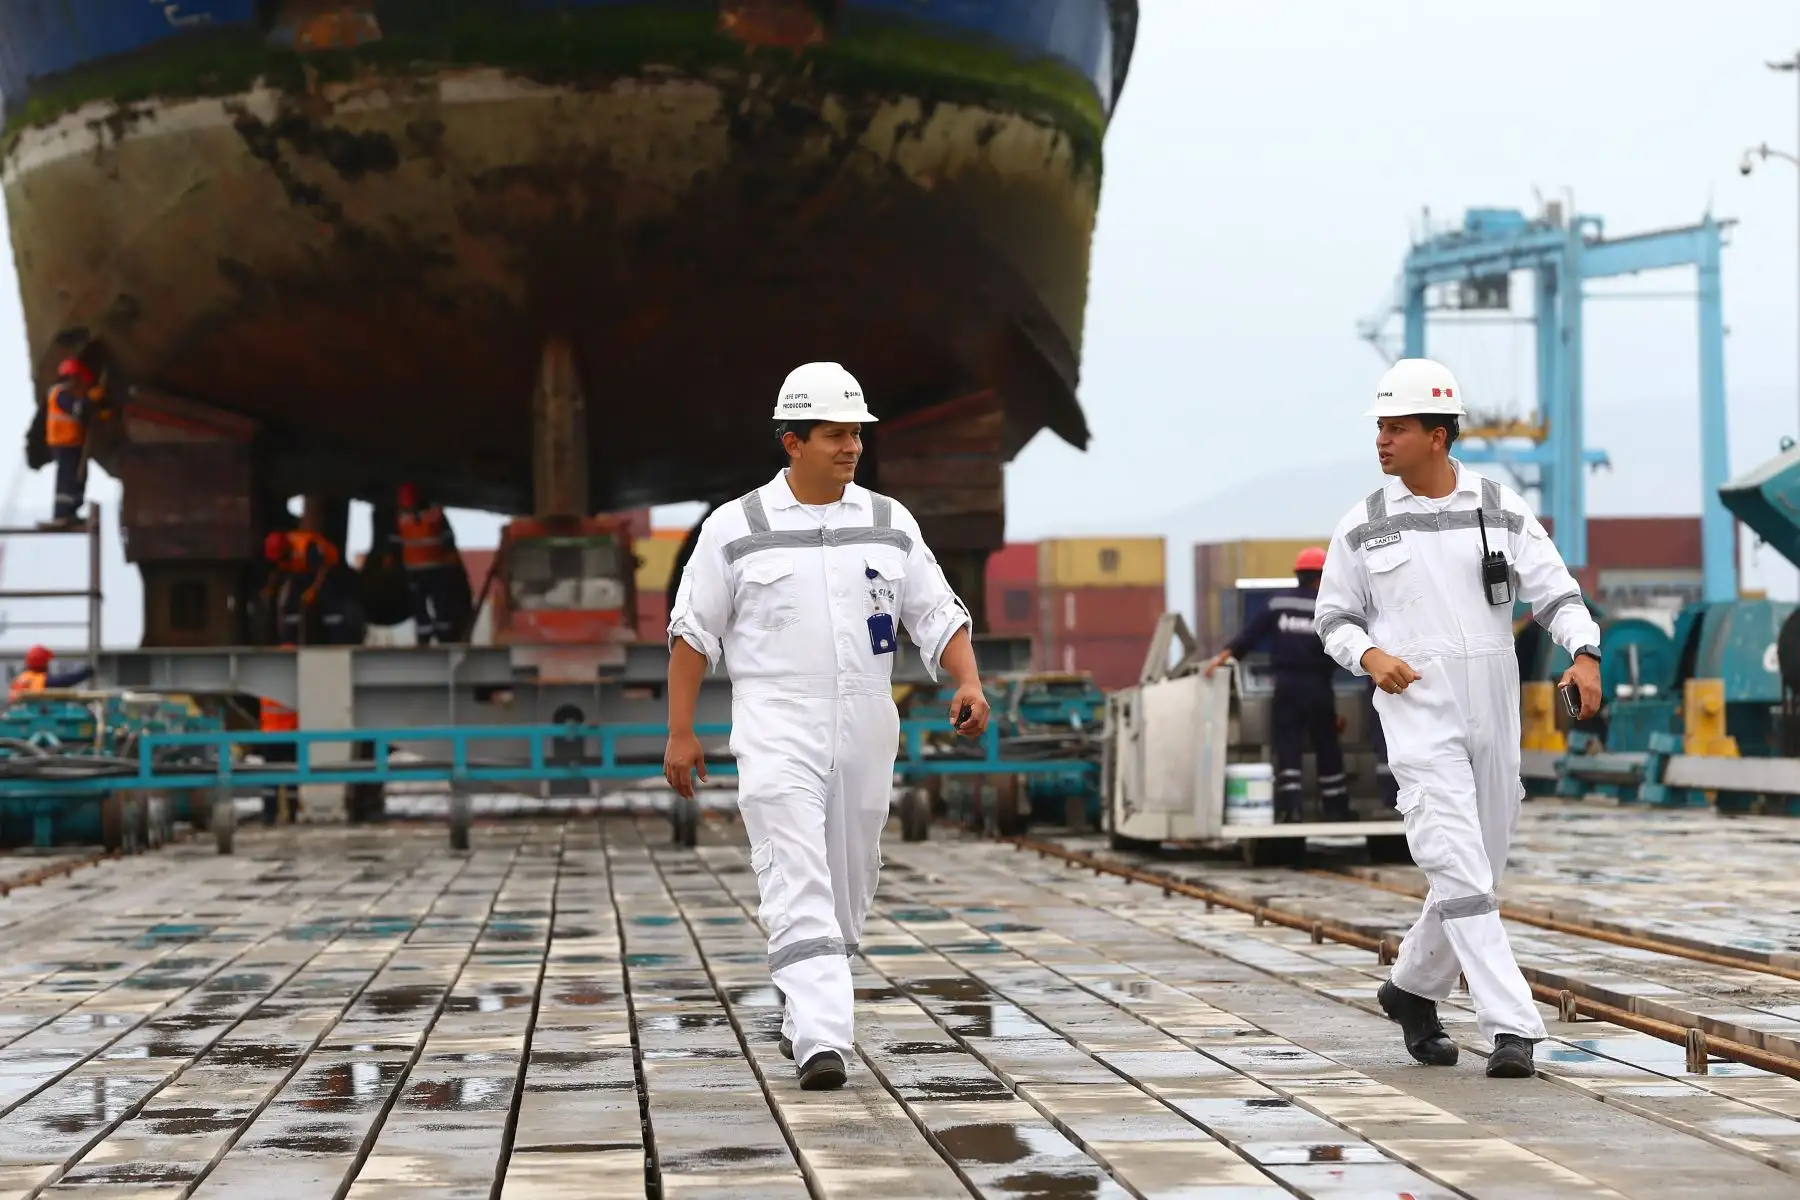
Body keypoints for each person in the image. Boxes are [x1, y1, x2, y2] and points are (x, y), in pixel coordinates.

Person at [663, 360, 991, 1092]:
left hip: (868, 720)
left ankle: (804, 1006)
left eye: (857, 434)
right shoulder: (736, 528)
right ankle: (822, 1039)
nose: (852, 447)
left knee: (849, 881)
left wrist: (967, 678)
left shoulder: (888, 522)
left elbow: (935, 612)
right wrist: (681, 730)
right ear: (793, 441)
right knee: (796, 872)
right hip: (777, 721)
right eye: (836, 434)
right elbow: (692, 633)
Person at [1314, 357, 1601, 1081]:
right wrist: (1370, 655)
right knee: (1456, 863)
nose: (1381, 440)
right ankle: (1513, 1027)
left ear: (1438, 436)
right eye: (1380, 427)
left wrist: (1585, 652)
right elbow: (1333, 618)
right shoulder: (1363, 525)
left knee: (1480, 866)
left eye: (1396, 428)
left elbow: (1555, 592)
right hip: (1417, 709)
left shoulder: (1500, 508)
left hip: (1494, 706)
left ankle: (1411, 990)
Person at [1203, 546, 1351, 822]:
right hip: (1318, 687)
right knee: (1327, 745)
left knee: (1288, 744)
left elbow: (1247, 638)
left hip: (1286, 686)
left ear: (1298, 574)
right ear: (1322, 576)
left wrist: (1219, 659)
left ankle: (1291, 809)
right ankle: (1336, 809)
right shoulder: (1328, 607)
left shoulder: (1277, 603)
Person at [394, 482, 469, 644]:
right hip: (422, 570)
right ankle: (431, 636)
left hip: (433, 569)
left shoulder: (429, 515)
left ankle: (442, 636)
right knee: (422, 607)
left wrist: (452, 561)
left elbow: (448, 538)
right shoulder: (405, 517)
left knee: (438, 605)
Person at [42, 359, 105, 528]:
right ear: (72, 378)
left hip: (74, 443)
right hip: (63, 443)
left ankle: (73, 511)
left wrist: (99, 413)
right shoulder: (60, 393)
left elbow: (83, 415)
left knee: (79, 476)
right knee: (67, 477)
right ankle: (61, 513)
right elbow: (77, 409)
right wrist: (90, 400)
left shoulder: (72, 395)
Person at [262, 529, 350, 645]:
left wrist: (313, 590)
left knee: (329, 603)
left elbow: (322, 570)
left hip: (329, 569)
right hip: (303, 571)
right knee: (292, 602)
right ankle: (290, 641)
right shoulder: (283, 554)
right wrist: (270, 586)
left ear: (286, 549)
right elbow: (277, 569)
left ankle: (336, 641)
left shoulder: (308, 548)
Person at [9, 644, 93, 702]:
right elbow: (64, 681)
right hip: (32, 716)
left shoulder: (20, 678)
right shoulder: (38, 679)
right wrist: (86, 672)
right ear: (43, 664)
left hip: (17, 715)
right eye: (47, 662)